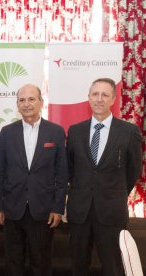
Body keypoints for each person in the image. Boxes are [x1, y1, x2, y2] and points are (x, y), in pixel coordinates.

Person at [66, 78, 142, 276]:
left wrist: (114, 192)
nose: (99, 99)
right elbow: (70, 169)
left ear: (113, 99)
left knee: (113, 268)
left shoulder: (129, 132)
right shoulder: (75, 131)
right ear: (89, 98)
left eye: (105, 95)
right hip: (79, 212)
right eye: (95, 94)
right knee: (78, 267)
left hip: (111, 212)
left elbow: (133, 171)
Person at [0, 84, 68, 276]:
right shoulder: (7, 132)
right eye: (22, 100)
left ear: (41, 102)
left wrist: (58, 207)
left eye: (31, 99)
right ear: (17, 104)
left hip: (43, 210)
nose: (26, 104)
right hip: (12, 208)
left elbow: (62, 173)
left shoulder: (56, 132)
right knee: (13, 263)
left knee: (41, 264)